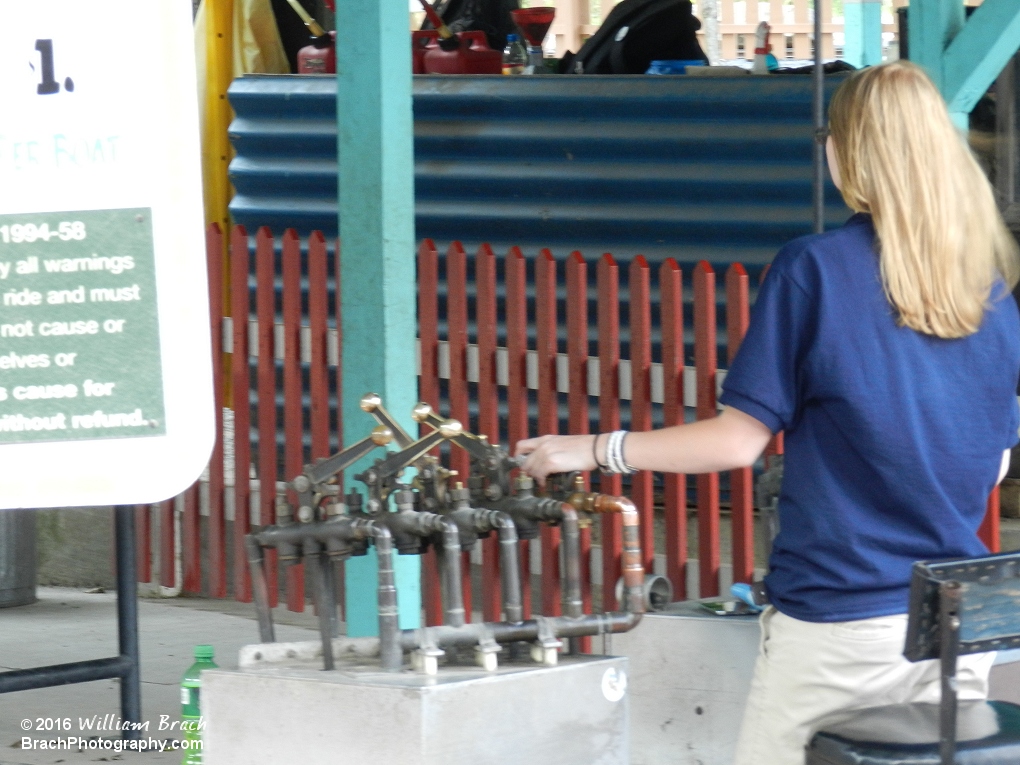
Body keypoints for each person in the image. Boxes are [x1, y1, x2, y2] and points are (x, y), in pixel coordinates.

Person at [515, 61, 1020, 765]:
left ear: (848, 152)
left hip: (840, 618)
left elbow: (736, 441)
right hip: (957, 617)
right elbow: (992, 461)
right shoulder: (989, 291)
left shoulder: (813, 268)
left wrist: (598, 446)